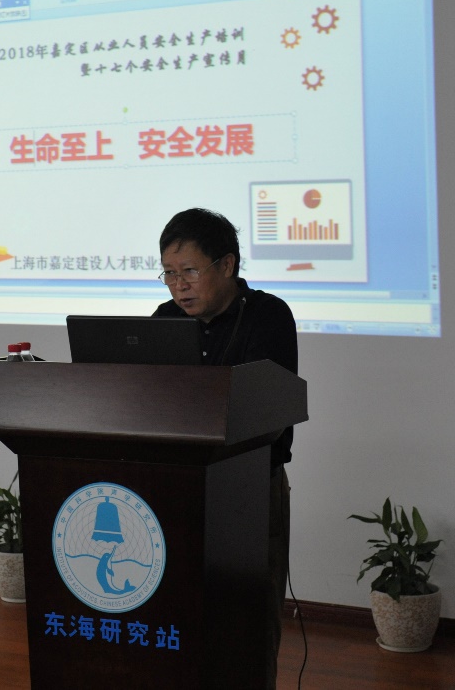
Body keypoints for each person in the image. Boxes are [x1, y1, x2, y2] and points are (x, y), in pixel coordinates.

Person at [152, 207, 298, 689]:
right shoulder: (164, 321)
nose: (178, 286)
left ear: (228, 264)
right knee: (179, 614)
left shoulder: (268, 316)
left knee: (249, 619)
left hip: (250, 491)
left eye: (190, 271)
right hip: (177, 491)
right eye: (169, 273)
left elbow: (269, 412)